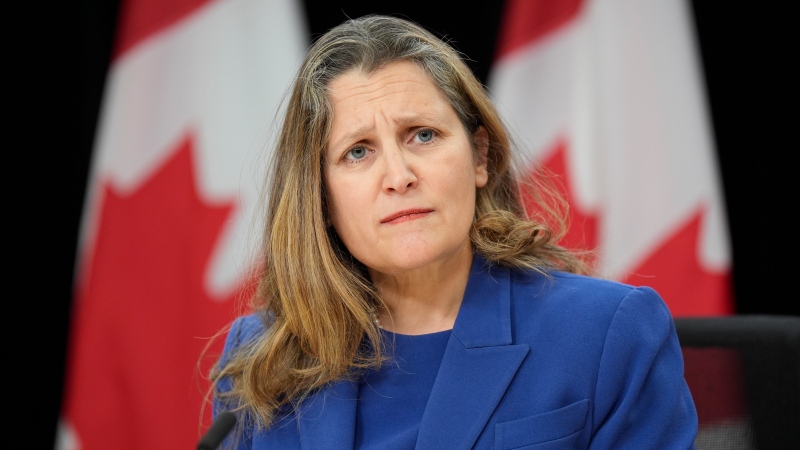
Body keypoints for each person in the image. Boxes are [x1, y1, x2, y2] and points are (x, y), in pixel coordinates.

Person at [204, 14, 698, 450]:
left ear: (479, 156)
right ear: (321, 198)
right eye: (358, 151)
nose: (398, 176)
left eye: (423, 135)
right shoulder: (265, 355)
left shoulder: (607, 333)